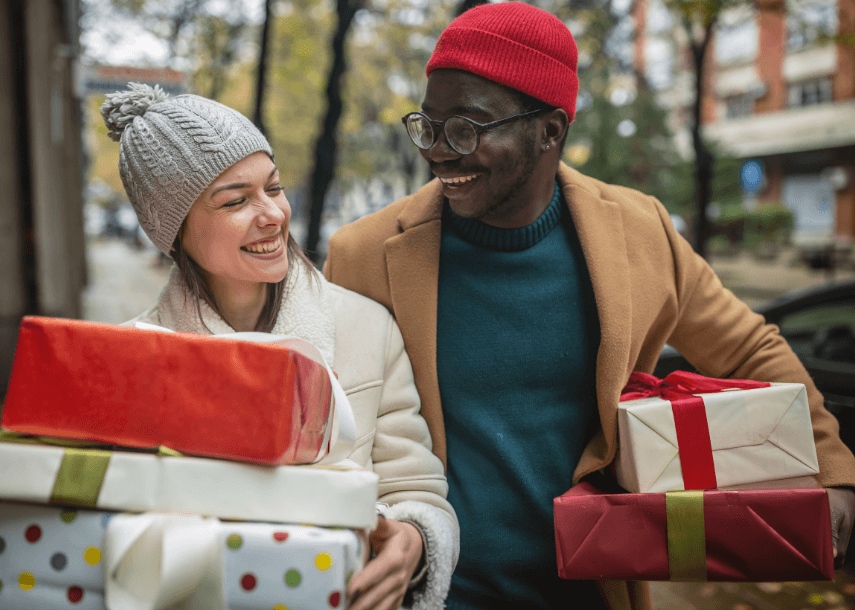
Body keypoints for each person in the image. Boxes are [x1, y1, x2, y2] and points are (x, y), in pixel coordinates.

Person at [323, 3, 855, 609]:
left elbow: (749, 348)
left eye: (468, 128)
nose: (440, 151)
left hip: (592, 589)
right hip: (434, 593)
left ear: (550, 130)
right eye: (430, 125)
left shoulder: (639, 231)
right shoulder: (363, 256)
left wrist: (833, 470)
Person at [100, 83, 458, 610]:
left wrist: (415, 540)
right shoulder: (136, 358)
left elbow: (418, 490)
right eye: (236, 201)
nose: (271, 214)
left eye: (274, 187)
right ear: (174, 231)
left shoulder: (366, 327)